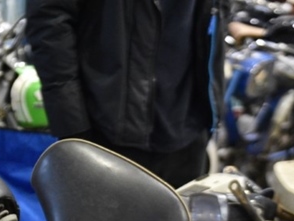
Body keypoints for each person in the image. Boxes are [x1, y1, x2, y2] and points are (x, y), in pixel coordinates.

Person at [25, 0, 227, 188]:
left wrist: (211, 109)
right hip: (102, 132)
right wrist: (73, 126)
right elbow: (50, 20)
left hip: (188, 131)